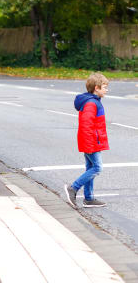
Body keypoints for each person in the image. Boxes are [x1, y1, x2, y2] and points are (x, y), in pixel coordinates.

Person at [64, 72, 109, 208]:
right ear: (96, 88)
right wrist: (90, 145)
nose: (107, 90)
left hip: (93, 141)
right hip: (91, 142)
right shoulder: (91, 104)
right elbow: (86, 126)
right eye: (105, 87)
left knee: (90, 167)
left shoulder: (94, 102)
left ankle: (88, 198)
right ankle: (74, 187)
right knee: (97, 168)